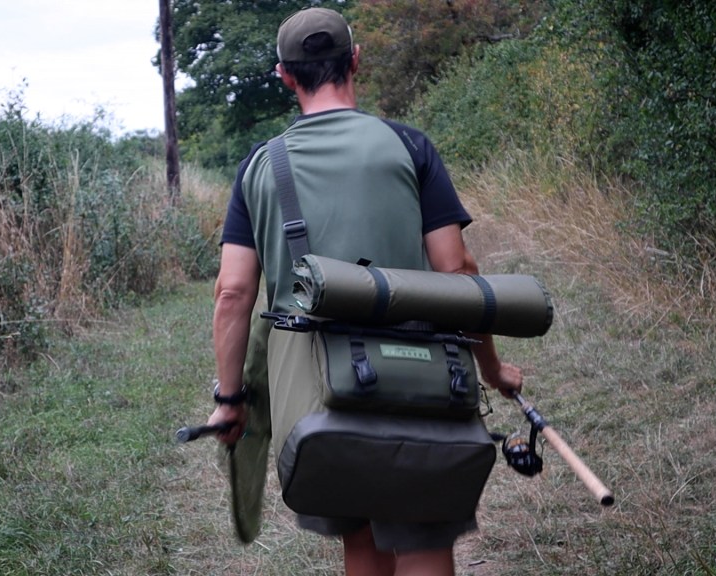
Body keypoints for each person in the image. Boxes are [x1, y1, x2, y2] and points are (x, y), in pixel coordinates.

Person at [207, 7, 523, 575]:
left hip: (323, 391)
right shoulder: (410, 146)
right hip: (422, 378)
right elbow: (458, 274)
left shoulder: (260, 165)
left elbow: (232, 293)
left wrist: (232, 401)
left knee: (361, 534)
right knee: (424, 535)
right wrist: (494, 371)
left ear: (284, 75)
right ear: (355, 60)